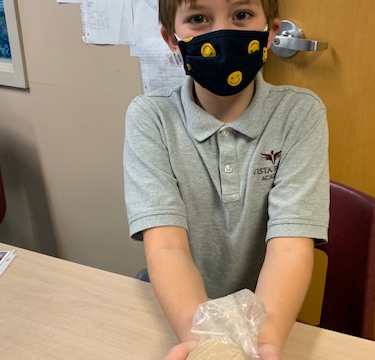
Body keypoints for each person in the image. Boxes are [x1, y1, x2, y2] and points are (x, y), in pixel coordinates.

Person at [123, 0, 329, 358]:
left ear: (270, 33)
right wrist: (207, 346)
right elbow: (166, 246)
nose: (223, 33)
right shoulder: (150, 117)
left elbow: (290, 247)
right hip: (180, 308)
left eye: (242, 15)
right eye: (199, 19)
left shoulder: (301, 113)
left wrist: (261, 344)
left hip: (265, 310)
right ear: (171, 39)